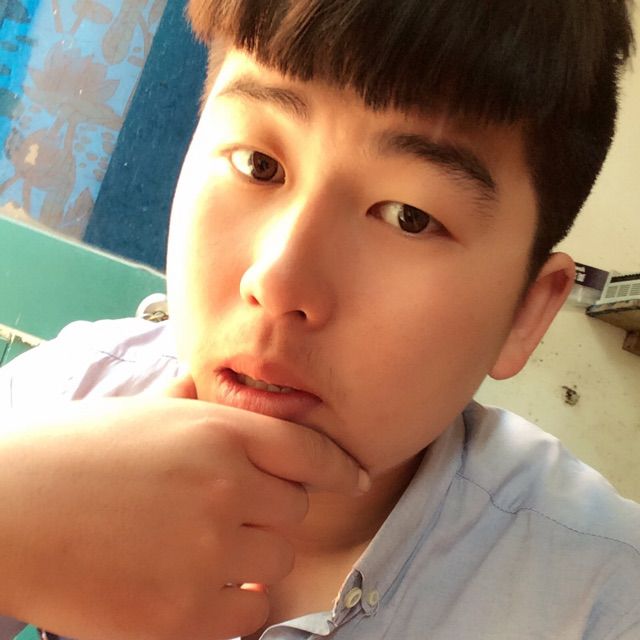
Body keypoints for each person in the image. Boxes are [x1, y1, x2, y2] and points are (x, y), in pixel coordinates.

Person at [1, 1, 638, 639]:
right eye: (259, 165)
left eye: (409, 217)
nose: (278, 282)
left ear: (526, 313)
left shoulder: (601, 604)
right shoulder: (61, 402)